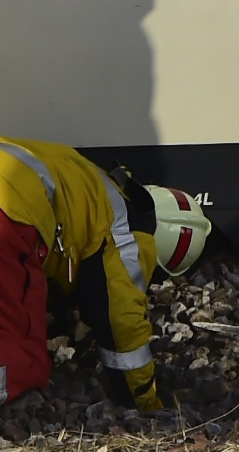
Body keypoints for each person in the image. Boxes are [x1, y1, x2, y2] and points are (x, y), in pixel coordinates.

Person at [0, 138, 212, 413]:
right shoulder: (129, 238)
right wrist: (146, 404)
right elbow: (122, 325)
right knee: (19, 358)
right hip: (9, 217)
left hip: (12, 197)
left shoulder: (95, 182)